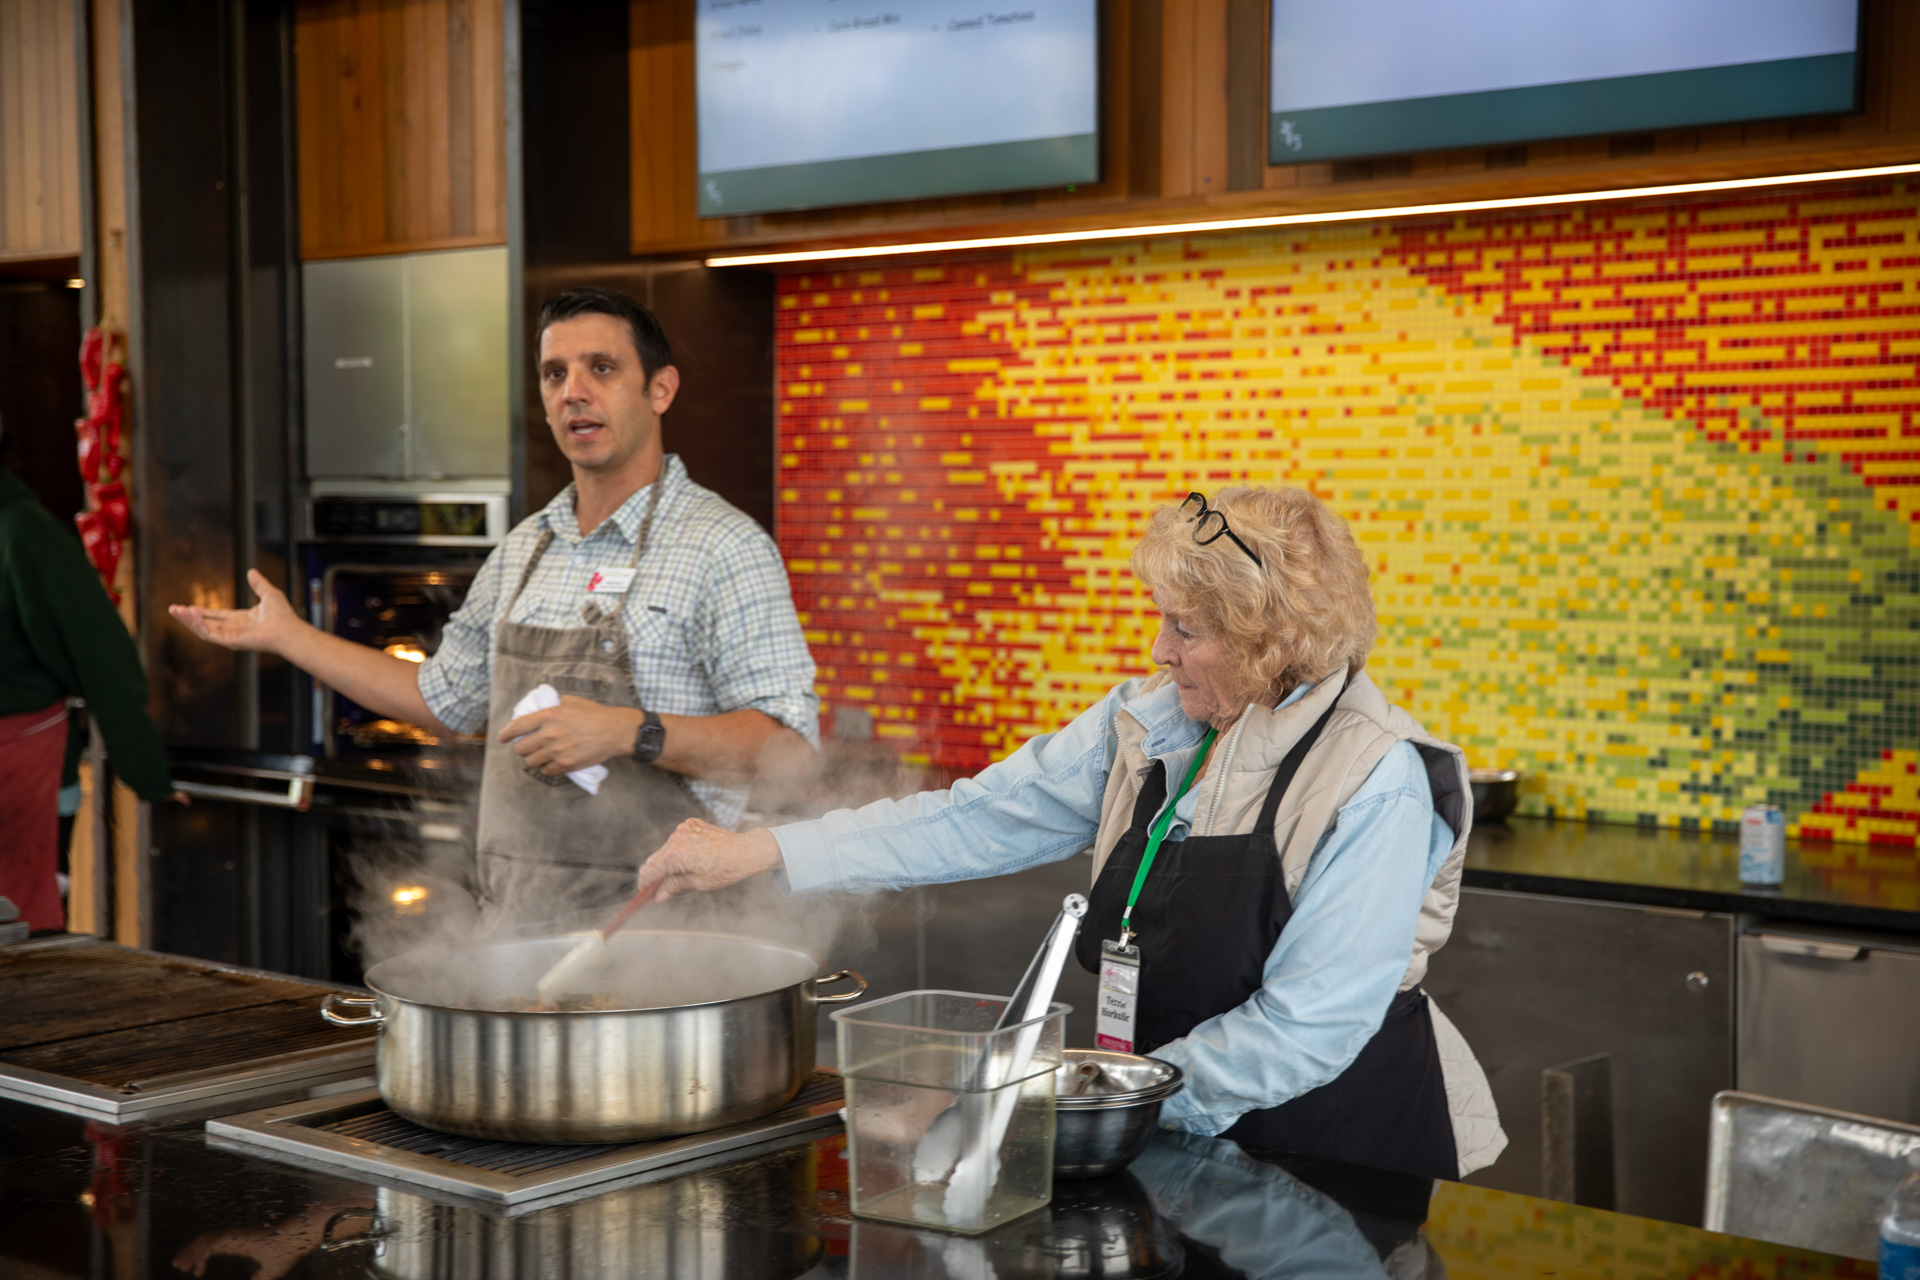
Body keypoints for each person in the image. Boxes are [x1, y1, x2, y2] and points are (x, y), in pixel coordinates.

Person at [636, 486, 1507, 1180]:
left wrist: (1058, 1105)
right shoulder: (1151, 723)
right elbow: (975, 817)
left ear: (1273, 640)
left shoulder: (1376, 780)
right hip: (1160, 1128)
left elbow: (1304, 1029)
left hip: (1333, 1149)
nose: (1159, 650)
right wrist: (769, 853)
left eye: (1186, 628)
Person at [171, 287, 819, 918]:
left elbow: (789, 751)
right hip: (515, 928)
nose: (574, 392)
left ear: (660, 389)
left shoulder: (723, 548)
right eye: (554, 374)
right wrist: (290, 636)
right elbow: (443, 699)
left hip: (664, 938)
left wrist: (629, 730)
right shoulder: (523, 550)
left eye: (602, 368)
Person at [0, 421, 180, 932]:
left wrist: (145, 768)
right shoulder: (25, 532)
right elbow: (102, 657)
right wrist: (149, 773)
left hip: (19, 767)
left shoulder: (21, 532)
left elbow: (100, 659)